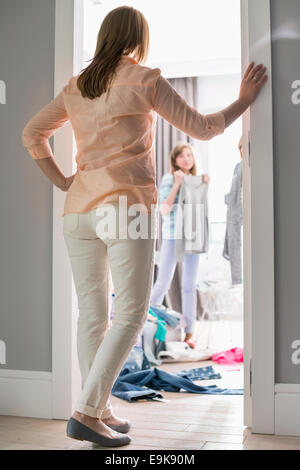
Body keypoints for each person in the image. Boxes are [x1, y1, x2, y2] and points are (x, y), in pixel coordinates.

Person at [21, 5, 268, 448]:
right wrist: (244, 101)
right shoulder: (144, 78)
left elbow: (32, 134)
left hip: (78, 211)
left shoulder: (77, 86)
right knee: (132, 312)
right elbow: (203, 128)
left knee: (92, 316)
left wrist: (63, 181)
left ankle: (99, 410)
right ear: (138, 38)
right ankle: (86, 411)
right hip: (125, 206)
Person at [150, 142, 209, 348]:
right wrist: (176, 183)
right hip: (173, 236)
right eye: (182, 156)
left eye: (189, 156)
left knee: (189, 286)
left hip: (193, 237)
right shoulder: (169, 178)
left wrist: (203, 185)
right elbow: (164, 209)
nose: (186, 159)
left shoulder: (197, 181)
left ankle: (190, 334)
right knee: (163, 282)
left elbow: (198, 211)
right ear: (175, 160)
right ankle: (145, 323)